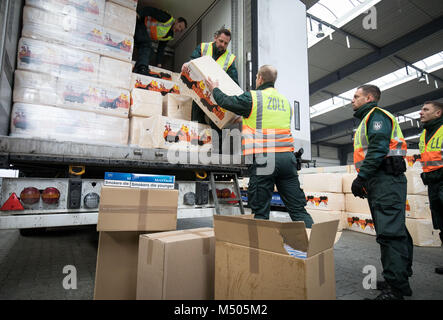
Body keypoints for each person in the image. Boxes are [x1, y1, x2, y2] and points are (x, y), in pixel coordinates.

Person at [204, 65, 313, 227]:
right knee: (298, 209)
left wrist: (214, 89)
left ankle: (260, 249)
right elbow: (271, 122)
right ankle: (317, 247)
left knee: (260, 211)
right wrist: (245, 119)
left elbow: (225, 101)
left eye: (256, 78)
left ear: (260, 78)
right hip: (288, 160)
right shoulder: (285, 102)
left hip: (265, 160)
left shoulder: (253, 98)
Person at [350, 84, 413, 300]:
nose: (352, 100)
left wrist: (362, 177)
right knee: (394, 231)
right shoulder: (367, 120)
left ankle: (395, 289)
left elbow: (378, 149)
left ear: (369, 98)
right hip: (381, 181)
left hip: (385, 180)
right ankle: (398, 278)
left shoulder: (376, 117)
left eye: (356, 97)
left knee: (390, 234)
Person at [182, 28, 239, 153]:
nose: (222, 45)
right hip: (200, 91)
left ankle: (216, 152)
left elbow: (234, 83)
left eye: (225, 43)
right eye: (221, 41)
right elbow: (192, 62)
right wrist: (186, 65)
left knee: (217, 125)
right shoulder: (203, 48)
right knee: (196, 120)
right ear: (215, 37)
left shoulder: (230, 59)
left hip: (216, 96)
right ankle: (197, 148)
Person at [418, 101, 443, 275]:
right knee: (442, 225)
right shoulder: (423, 135)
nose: (421, 113)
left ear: (438, 113)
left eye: (426, 109)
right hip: (433, 185)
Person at [134, 6, 187, 75]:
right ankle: (142, 68)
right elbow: (151, 10)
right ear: (176, 21)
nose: (179, 30)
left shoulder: (169, 36)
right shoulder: (167, 19)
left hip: (143, 34)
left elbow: (161, 48)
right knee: (147, 44)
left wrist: (159, 63)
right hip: (140, 23)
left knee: (152, 54)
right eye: (180, 26)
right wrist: (139, 13)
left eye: (181, 30)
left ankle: (138, 67)